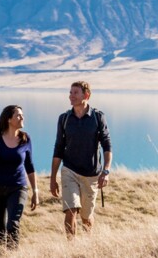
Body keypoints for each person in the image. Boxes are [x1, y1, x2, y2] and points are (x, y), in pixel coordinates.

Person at [50, 80, 112, 237]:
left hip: (91, 175)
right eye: (70, 92)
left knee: (86, 218)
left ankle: (88, 243)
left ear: (87, 95)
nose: (71, 96)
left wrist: (106, 171)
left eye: (75, 93)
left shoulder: (98, 117)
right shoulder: (64, 118)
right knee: (71, 210)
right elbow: (58, 148)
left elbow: (107, 145)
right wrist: (52, 178)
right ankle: (71, 248)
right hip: (69, 170)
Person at [0, 105, 39, 253]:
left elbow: (30, 167)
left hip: (18, 188)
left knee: (13, 225)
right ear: (8, 119)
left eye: (22, 114)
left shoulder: (25, 139)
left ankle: (12, 255)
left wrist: (35, 191)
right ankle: (0, 255)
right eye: (18, 115)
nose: (22, 117)